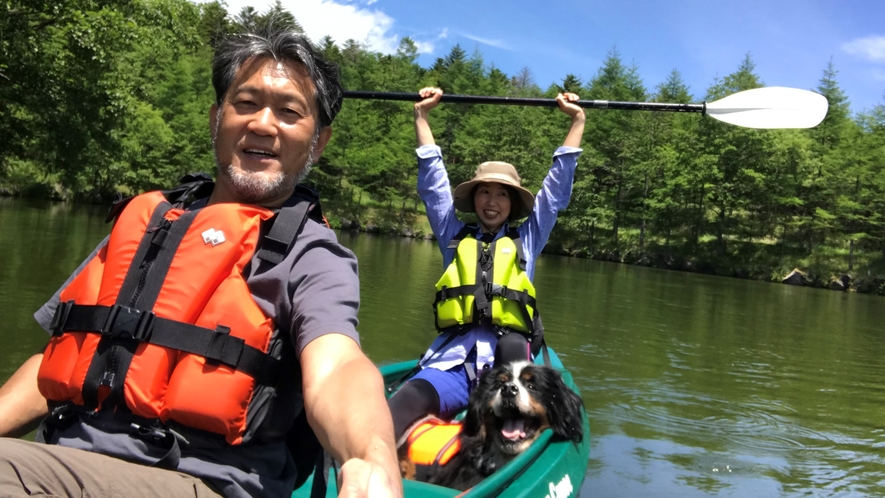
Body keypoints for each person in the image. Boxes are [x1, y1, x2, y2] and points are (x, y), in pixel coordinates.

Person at [0, 25, 402, 498]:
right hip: (64, 461)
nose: (263, 124)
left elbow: (337, 368)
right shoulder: (152, 221)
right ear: (216, 117)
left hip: (197, 481)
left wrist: (370, 456)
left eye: (290, 112)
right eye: (246, 103)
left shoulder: (311, 253)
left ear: (319, 142)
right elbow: (54, 357)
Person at [388, 87, 586, 441]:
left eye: (501, 194)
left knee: (511, 345)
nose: (491, 201)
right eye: (484, 191)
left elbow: (554, 193)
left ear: (512, 203)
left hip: (508, 372)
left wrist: (577, 121)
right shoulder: (453, 235)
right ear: (474, 197)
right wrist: (422, 117)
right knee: (398, 407)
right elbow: (434, 187)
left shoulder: (527, 239)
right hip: (453, 365)